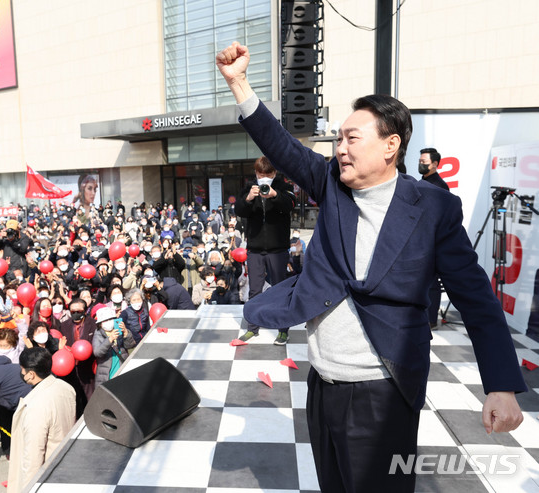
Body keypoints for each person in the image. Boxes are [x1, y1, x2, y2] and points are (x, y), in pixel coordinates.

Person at [216, 41, 525, 492]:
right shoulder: (330, 184)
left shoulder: (434, 208)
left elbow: (476, 299)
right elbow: (281, 147)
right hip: (322, 383)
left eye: (351, 138)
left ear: (390, 145)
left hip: (385, 390)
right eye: (338, 138)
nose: (339, 148)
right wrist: (239, 82)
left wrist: (500, 385)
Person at [235, 156, 296, 345]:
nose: (264, 178)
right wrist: (248, 198)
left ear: (274, 173)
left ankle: (283, 330)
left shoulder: (284, 186)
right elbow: (239, 210)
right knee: (254, 290)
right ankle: (252, 328)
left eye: (268, 174)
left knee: (280, 289)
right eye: (261, 174)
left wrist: (274, 195)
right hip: (254, 248)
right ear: (256, 173)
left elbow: (290, 206)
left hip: (278, 249)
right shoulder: (249, 187)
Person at [7, 348, 75, 493]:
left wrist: (28, 488)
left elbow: (33, 456)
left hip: (48, 473)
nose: (22, 374)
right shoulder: (67, 388)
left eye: (23, 371)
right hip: (66, 462)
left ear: (31, 374)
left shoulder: (35, 406)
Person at [419, 147, 450, 328]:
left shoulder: (440, 186)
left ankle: (431, 319)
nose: (421, 164)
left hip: (431, 241)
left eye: (424, 162)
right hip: (420, 239)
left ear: (435, 164)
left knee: (432, 282)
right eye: (420, 161)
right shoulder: (421, 181)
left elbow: (440, 216)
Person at [92, 306, 136, 386]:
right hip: (108, 373)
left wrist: (126, 333)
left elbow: (130, 345)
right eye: (105, 320)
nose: (108, 322)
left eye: (110, 319)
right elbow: (97, 352)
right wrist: (110, 339)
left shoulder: (118, 328)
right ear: (100, 324)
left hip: (122, 368)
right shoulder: (98, 333)